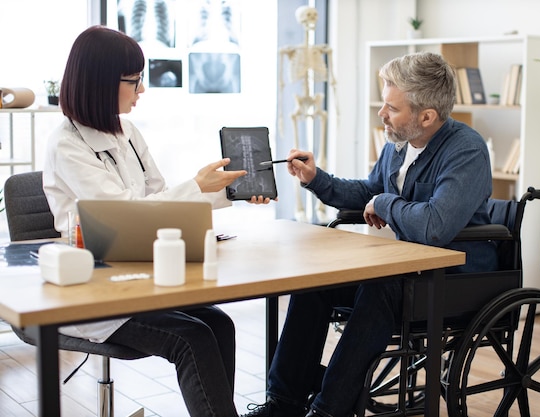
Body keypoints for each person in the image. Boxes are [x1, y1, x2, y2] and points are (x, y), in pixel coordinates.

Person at [243, 51, 498, 417]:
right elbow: (368, 193)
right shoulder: (398, 144)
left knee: (382, 286)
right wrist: (317, 179)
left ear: (426, 116)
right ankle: (284, 402)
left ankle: (330, 410)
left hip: (454, 278)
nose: (382, 114)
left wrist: (385, 203)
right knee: (315, 283)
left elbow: (434, 226)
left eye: (392, 108)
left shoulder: (466, 150)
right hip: (407, 269)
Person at [43, 25, 271, 417]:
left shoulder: (126, 131)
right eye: (134, 81)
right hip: (92, 291)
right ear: (100, 82)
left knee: (220, 324)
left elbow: (158, 198)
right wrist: (196, 188)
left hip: (136, 274)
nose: (142, 90)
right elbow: (124, 215)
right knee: (193, 337)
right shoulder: (67, 143)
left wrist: (225, 190)